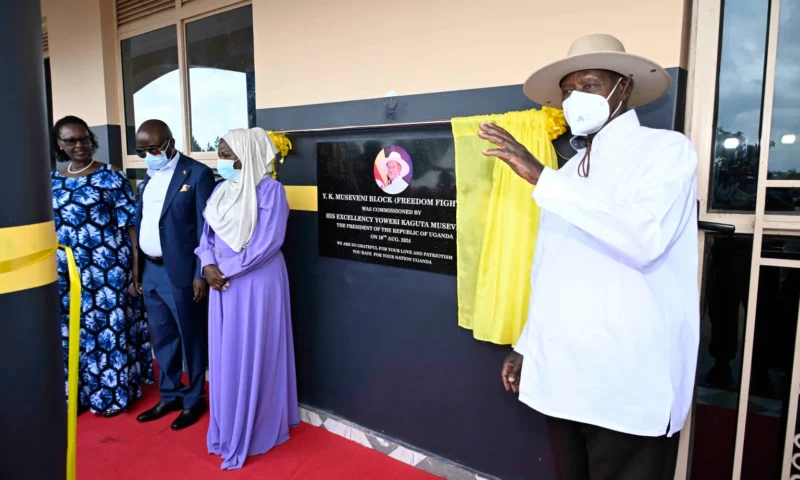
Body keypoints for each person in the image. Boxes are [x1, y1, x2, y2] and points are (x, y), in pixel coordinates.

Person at [481, 34, 698, 479]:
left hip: (626, 381)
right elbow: (552, 272)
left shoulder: (666, 152)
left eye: (591, 85)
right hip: (562, 375)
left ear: (625, 89)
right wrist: (527, 346)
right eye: (568, 89)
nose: (575, 98)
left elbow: (643, 239)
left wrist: (543, 178)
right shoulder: (566, 174)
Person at [195, 128, 298, 470]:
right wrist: (207, 264)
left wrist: (222, 269)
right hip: (221, 282)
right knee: (227, 355)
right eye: (219, 154)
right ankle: (228, 423)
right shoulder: (222, 191)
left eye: (227, 154)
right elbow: (206, 236)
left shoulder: (270, 190)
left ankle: (256, 427)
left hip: (254, 283)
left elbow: (268, 243)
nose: (221, 161)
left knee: (255, 350)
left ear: (248, 155)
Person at [50, 115, 154, 417]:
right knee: (73, 332)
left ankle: (111, 395)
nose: (79, 145)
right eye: (71, 140)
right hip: (67, 270)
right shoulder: (53, 180)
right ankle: (78, 395)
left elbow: (131, 226)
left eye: (83, 138)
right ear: (60, 144)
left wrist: (136, 269)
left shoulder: (111, 176)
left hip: (106, 269)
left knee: (107, 331)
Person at [133, 119, 216, 430]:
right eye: (142, 151)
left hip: (182, 273)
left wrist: (200, 274)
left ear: (170, 142)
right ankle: (170, 395)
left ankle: (194, 398)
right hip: (151, 271)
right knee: (163, 338)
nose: (149, 155)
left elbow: (205, 229)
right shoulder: (148, 179)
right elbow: (143, 224)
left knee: (190, 337)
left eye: (154, 148)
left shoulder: (197, 174)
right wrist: (139, 270)